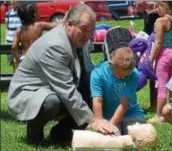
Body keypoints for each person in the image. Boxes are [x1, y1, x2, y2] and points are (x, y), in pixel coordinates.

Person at [8, 4, 118, 146]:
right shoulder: (55, 45)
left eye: (91, 30)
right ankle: (34, 136)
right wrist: (93, 120)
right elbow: (65, 89)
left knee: (94, 89)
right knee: (52, 102)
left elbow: (87, 71)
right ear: (70, 24)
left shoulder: (81, 38)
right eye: (84, 29)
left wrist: (104, 89)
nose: (87, 35)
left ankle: (59, 135)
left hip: (54, 87)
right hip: (29, 92)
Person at [90, 47, 145, 135]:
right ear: (111, 64)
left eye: (127, 76)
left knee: (141, 137)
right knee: (111, 144)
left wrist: (111, 126)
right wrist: (100, 123)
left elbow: (124, 104)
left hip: (131, 113)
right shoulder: (98, 73)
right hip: (108, 115)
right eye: (121, 75)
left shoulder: (134, 73)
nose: (123, 78)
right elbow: (97, 100)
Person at [148, 2, 172, 124]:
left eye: (157, 7)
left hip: (164, 55)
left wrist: (151, 59)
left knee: (161, 86)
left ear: (164, 6)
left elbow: (158, 42)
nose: (155, 10)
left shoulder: (160, 21)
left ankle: (159, 115)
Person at [11, 1, 62, 72]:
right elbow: (56, 26)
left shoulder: (19, 30)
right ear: (35, 15)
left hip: (25, 59)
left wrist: (17, 61)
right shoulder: (39, 25)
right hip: (38, 58)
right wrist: (66, 17)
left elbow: (13, 46)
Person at [5, 1, 21, 65]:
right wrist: (6, 39)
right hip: (9, 41)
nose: (13, 2)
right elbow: (7, 28)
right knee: (12, 63)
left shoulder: (22, 13)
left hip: (19, 42)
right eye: (12, 1)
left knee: (19, 63)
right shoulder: (8, 13)